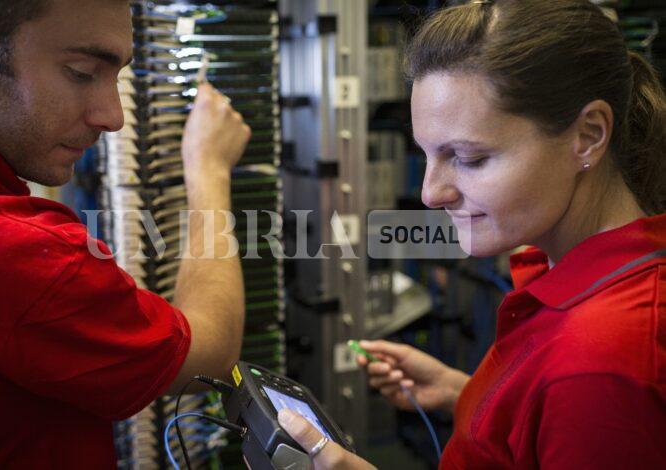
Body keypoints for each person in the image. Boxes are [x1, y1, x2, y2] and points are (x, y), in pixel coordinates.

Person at [278, 0, 666, 468]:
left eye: (468, 158)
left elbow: (589, 390)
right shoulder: (602, 281)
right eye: (427, 155)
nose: (430, 193)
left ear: (587, 135)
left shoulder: (599, 360)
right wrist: (463, 393)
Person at [0, 0, 250, 468]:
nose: (113, 117)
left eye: (115, 76)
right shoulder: (8, 249)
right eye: (81, 72)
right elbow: (211, 357)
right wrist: (209, 172)